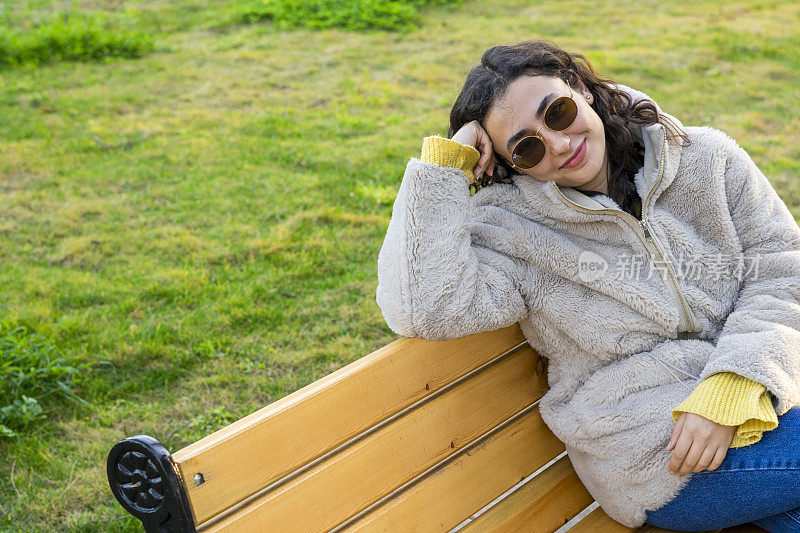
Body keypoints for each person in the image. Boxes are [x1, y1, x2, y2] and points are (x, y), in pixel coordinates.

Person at [375, 39, 800, 531]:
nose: (558, 144)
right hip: (652, 450)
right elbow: (423, 308)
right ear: (512, 166)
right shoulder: (510, 229)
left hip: (759, 399)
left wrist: (737, 380)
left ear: (582, 89)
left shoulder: (705, 158)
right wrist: (445, 165)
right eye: (526, 146)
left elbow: (783, 270)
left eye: (556, 111)